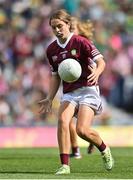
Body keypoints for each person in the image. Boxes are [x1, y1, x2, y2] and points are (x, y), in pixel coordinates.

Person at [38, 9, 114, 175]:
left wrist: (97, 72)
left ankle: (104, 148)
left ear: (68, 25)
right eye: (53, 28)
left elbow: (101, 62)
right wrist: (49, 98)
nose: (57, 30)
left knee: (82, 130)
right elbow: (55, 76)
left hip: (88, 89)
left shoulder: (81, 42)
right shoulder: (51, 50)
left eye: (60, 26)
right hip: (70, 92)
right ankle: (65, 165)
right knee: (63, 121)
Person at [69, 17, 95, 158]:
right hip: (70, 87)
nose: (71, 31)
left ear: (79, 30)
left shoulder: (86, 44)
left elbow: (96, 64)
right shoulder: (64, 46)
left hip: (86, 87)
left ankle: (93, 139)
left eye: (73, 28)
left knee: (83, 127)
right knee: (66, 120)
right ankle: (75, 149)